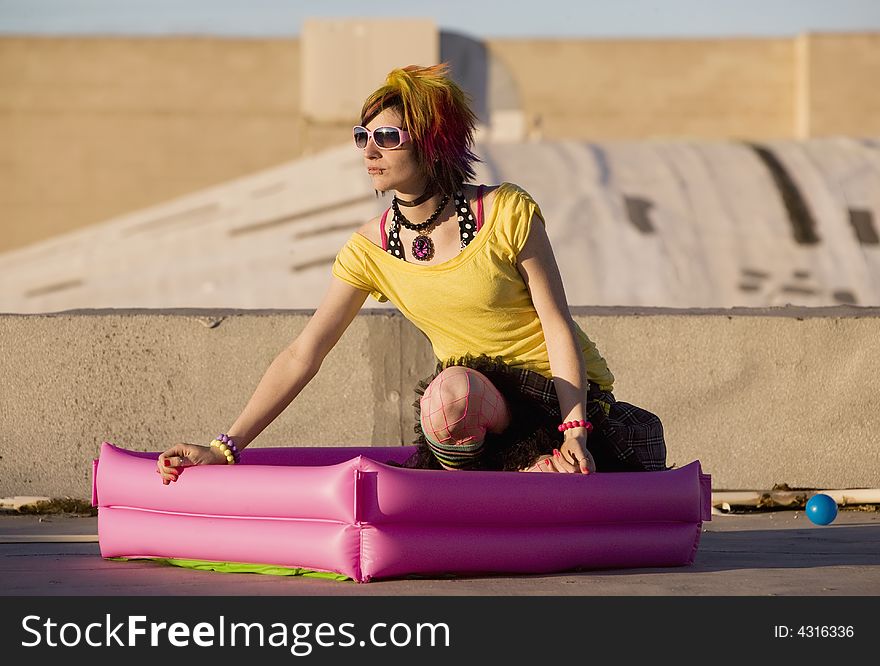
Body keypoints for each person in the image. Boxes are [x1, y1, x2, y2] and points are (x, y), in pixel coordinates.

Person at [157, 63, 666, 485]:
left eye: (385, 136)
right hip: (471, 404)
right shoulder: (369, 250)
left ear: (431, 143)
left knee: (455, 394)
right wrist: (223, 447)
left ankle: (542, 467)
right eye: (362, 136)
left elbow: (557, 324)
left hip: (555, 398)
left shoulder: (506, 212)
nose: (368, 151)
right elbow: (303, 354)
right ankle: (512, 481)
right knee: (448, 396)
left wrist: (575, 428)